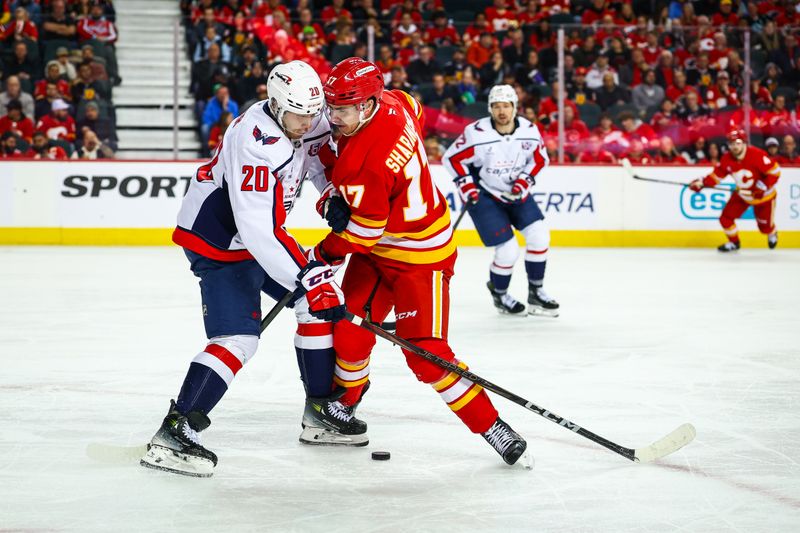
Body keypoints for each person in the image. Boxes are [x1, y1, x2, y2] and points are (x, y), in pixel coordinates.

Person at [140, 61, 351, 478]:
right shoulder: (255, 142)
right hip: (220, 243)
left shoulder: (303, 116)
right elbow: (258, 230)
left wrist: (327, 193)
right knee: (238, 338)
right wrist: (309, 275)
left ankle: (319, 411)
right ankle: (177, 427)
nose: (307, 122)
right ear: (275, 104)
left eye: (313, 113)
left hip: (259, 238)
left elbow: (313, 158)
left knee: (313, 304)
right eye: (298, 115)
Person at [317, 58, 531, 467]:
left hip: (422, 256)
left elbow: (361, 232)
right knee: (347, 330)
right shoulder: (397, 102)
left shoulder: (363, 163)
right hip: (381, 249)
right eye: (332, 107)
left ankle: (491, 426)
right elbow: (413, 110)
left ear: (368, 104)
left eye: (343, 109)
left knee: (425, 352)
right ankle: (345, 402)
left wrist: (322, 252)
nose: (334, 117)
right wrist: (334, 198)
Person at [442, 84, 558, 317]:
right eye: (496, 106)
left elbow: (539, 159)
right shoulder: (476, 133)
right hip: (486, 194)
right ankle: (501, 294)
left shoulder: (529, 130)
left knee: (539, 237)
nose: (501, 111)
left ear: (514, 107)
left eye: (506, 106)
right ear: (490, 109)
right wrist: (466, 185)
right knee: (508, 250)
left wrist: (525, 180)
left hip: (518, 193)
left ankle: (536, 292)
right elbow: (452, 158)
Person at [690, 128, 781, 251]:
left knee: (764, 228)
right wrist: (701, 183)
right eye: (732, 144)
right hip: (743, 195)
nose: (735, 147)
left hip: (764, 198)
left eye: (737, 143)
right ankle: (734, 243)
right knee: (725, 219)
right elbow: (717, 175)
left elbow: (775, 172)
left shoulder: (757, 155)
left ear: (744, 143)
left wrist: (762, 187)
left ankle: (772, 233)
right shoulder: (727, 159)